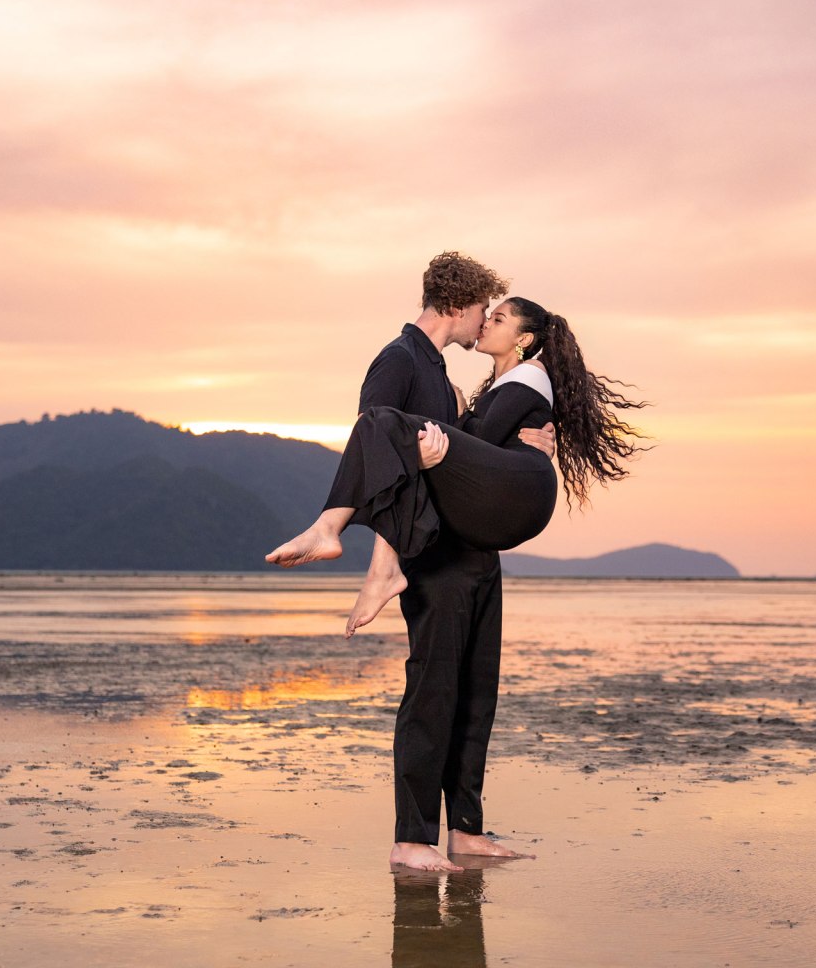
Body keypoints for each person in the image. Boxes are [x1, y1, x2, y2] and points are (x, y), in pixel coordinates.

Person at [269, 268, 646, 872]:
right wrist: (387, 551)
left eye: (499, 316)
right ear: (462, 305)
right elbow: (378, 445)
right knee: (434, 691)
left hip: (476, 555)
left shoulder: (451, 378)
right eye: (485, 311)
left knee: (476, 694)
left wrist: (524, 454)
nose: (485, 321)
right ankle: (411, 839)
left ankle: (465, 830)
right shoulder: (400, 359)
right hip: (436, 560)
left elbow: (464, 455)